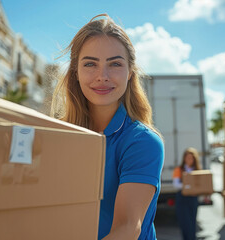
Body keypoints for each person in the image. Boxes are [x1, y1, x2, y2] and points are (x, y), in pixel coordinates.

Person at [51, 14, 164, 240]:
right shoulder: (56, 136)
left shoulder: (142, 142)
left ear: (130, 72)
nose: (102, 76)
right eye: (90, 64)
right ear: (75, 71)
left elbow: (127, 228)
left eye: (115, 64)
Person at [172, 147, 202, 240]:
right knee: (184, 223)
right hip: (182, 199)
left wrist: (190, 186)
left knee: (192, 223)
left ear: (194, 159)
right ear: (184, 158)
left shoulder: (198, 170)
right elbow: (176, 185)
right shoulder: (179, 170)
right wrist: (189, 186)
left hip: (193, 199)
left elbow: (201, 185)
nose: (189, 160)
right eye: (187, 157)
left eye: (191, 158)